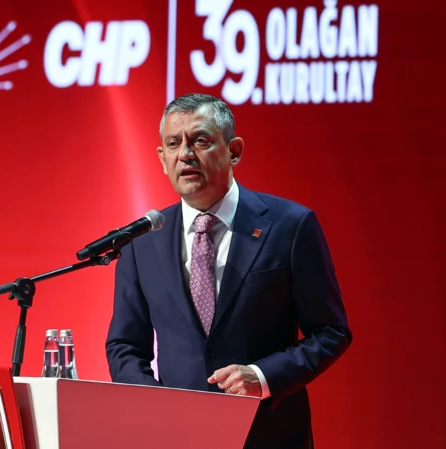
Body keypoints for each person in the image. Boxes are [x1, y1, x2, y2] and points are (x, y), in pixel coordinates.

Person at [105, 93, 352, 449]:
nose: (185, 154)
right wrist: (154, 406)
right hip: (176, 438)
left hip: (268, 435)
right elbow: (124, 345)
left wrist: (263, 376)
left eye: (200, 140)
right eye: (173, 144)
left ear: (233, 151)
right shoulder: (141, 240)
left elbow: (331, 332)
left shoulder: (290, 226)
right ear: (162, 160)